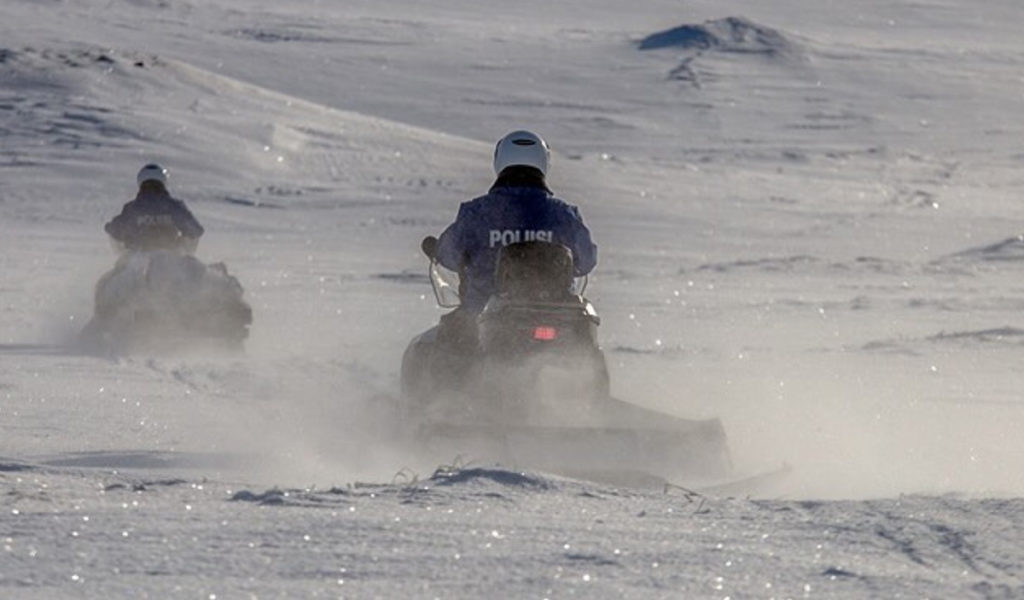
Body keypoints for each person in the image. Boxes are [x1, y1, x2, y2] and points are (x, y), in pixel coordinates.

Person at [430, 130, 597, 349]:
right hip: (557, 318)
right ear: (544, 162)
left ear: (500, 161)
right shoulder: (563, 215)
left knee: (437, 347)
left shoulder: (476, 214)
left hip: (483, 317)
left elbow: (449, 255)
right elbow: (587, 260)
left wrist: (438, 250)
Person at [104, 163, 204, 254]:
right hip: (172, 260)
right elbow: (195, 231)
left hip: (136, 262)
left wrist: (124, 255)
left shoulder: (132, 208)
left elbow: (113, 231)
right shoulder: (174, 206)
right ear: (163, 181)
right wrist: (185, 253)